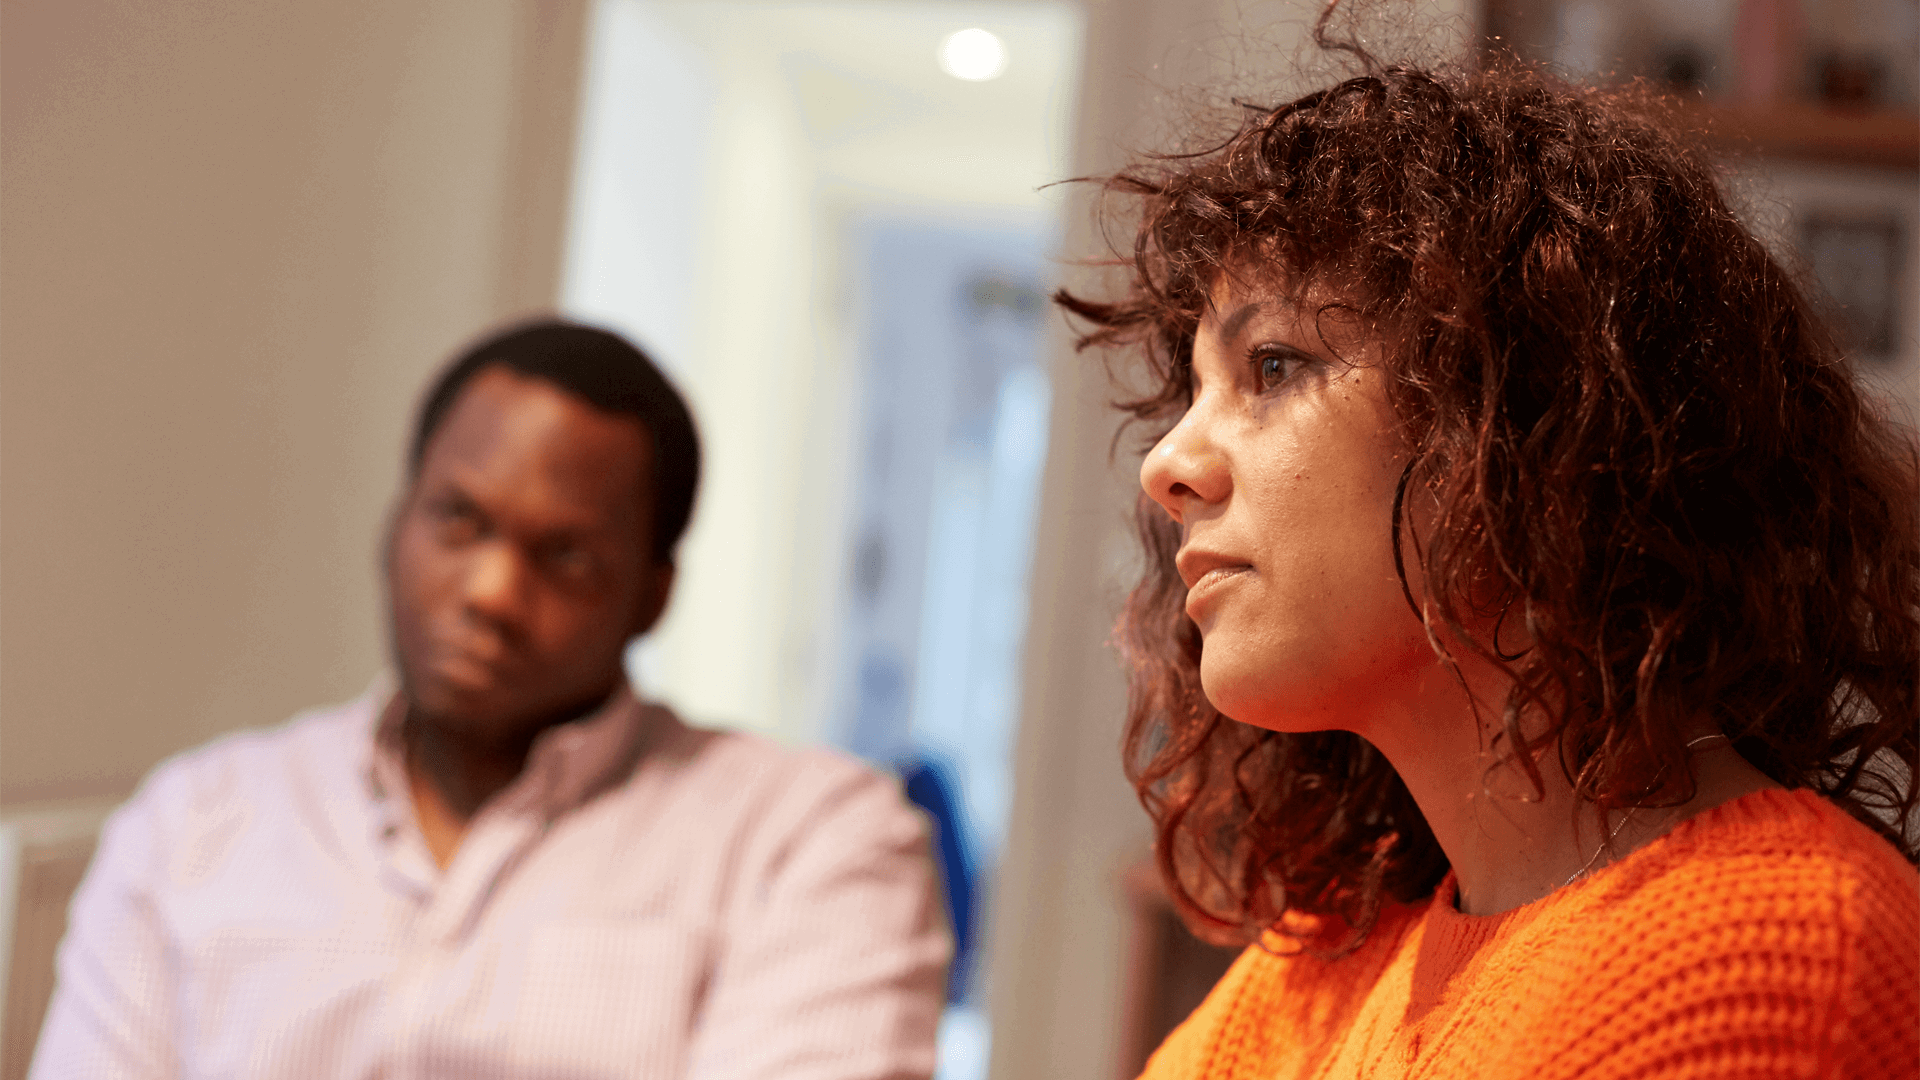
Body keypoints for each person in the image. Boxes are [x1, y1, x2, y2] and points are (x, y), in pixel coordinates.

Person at [1058, 35, 1920, 1080]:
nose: (1168, 465)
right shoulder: (1326, 965)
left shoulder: (1763, 957)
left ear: (1530, 412)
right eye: (1194, 391)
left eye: (1273, 365)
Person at [31, 321, 949, 1079]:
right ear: (398, 522)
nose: (492, 592)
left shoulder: (810, 843)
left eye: (565, 557)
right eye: (459, 521)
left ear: (654, 593)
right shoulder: (192, 824)